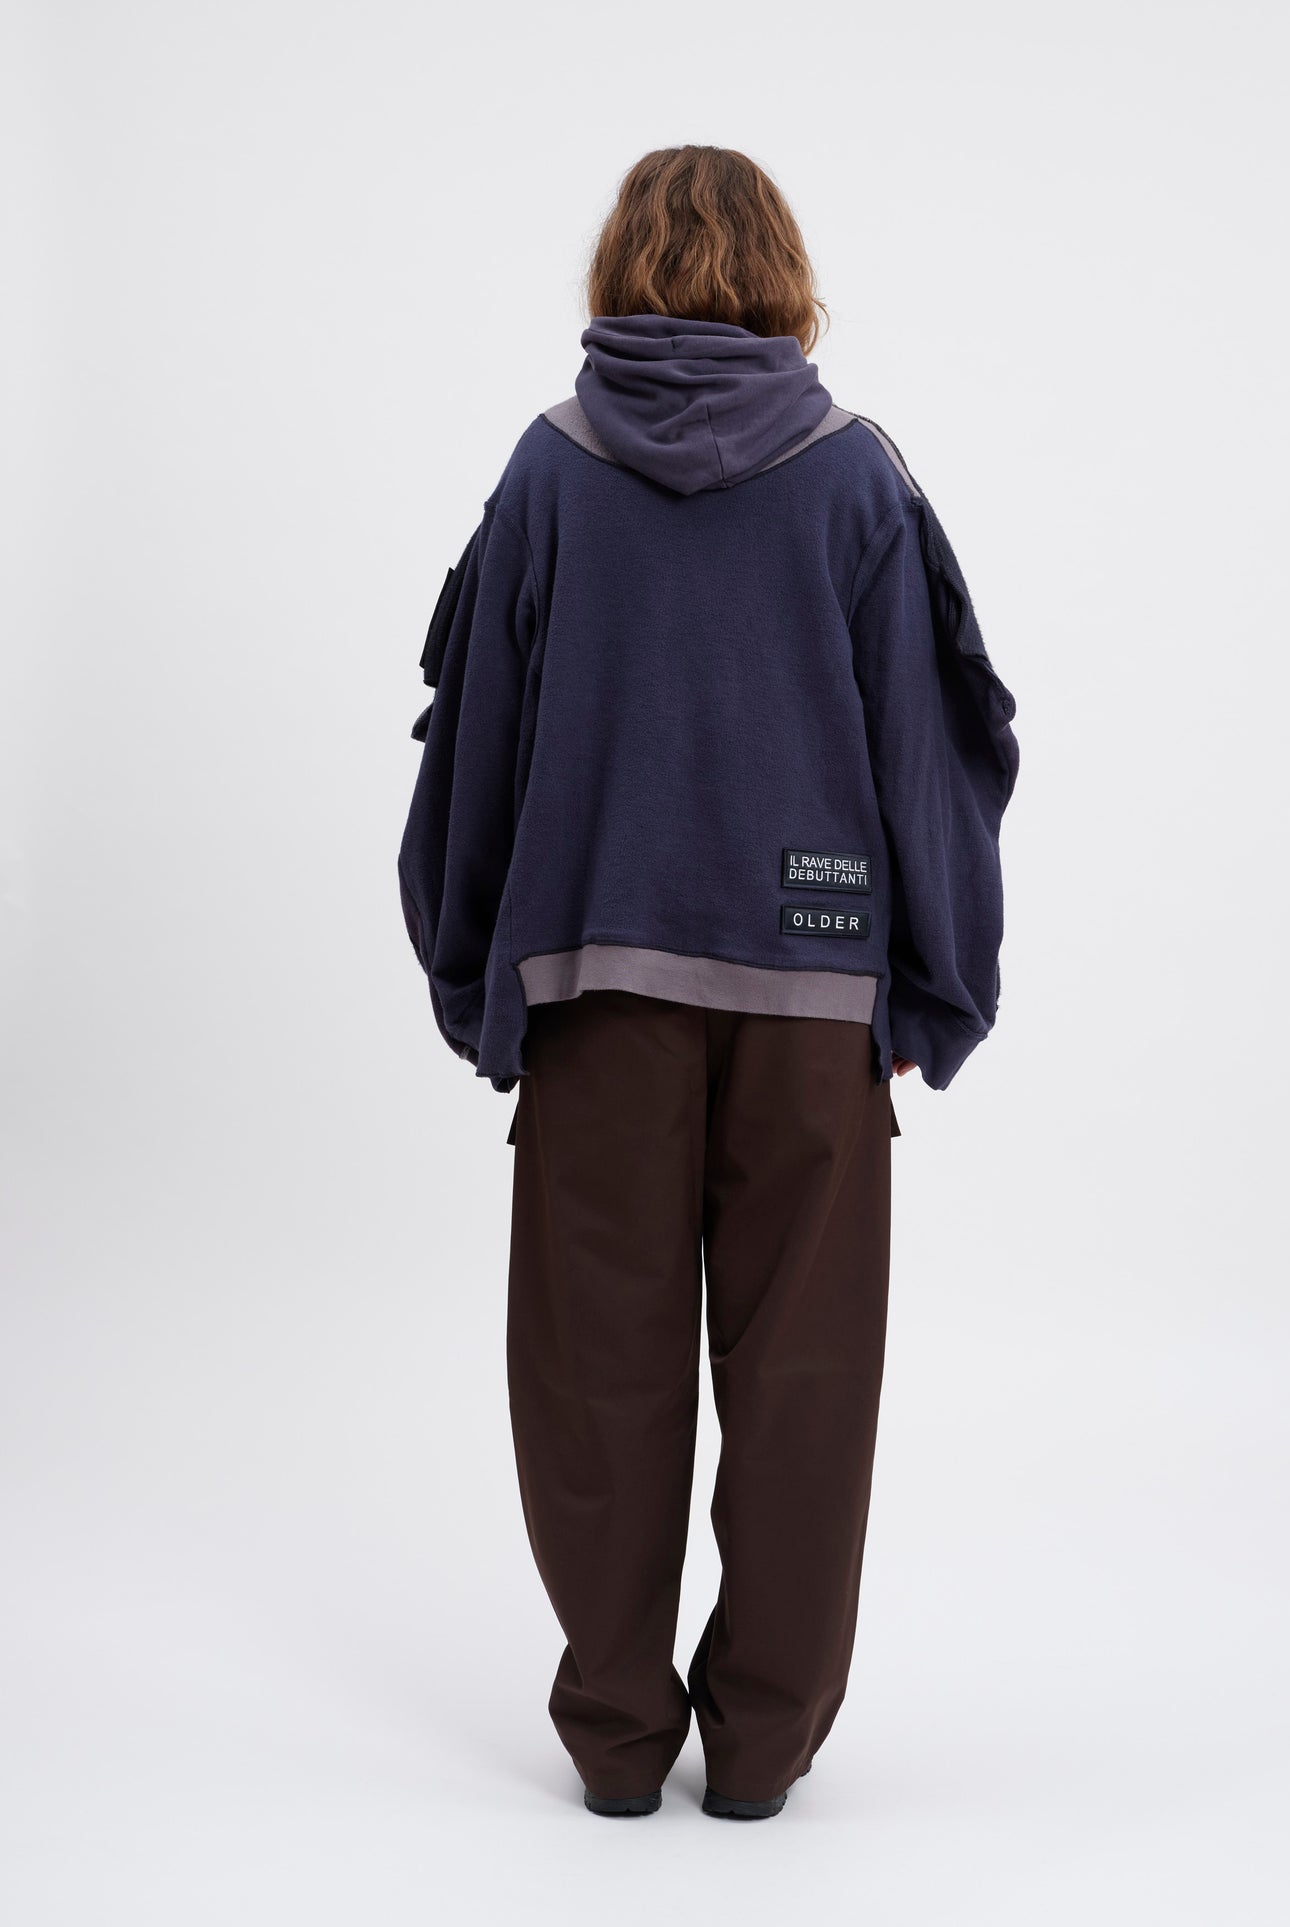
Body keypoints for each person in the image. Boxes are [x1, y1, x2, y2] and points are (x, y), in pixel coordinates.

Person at [398, 145, 1019, 1821]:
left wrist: (476, 977)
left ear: (618, 267)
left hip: (593, 995)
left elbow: (476, 745)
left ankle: (615, 1743)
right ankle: (758, 1758)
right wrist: (930, 986)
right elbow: (929, 751)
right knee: (804, 1385)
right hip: (814, 1011)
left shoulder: (550, 470)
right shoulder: (855, 478)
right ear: (782, 272)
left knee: (591, 1378)